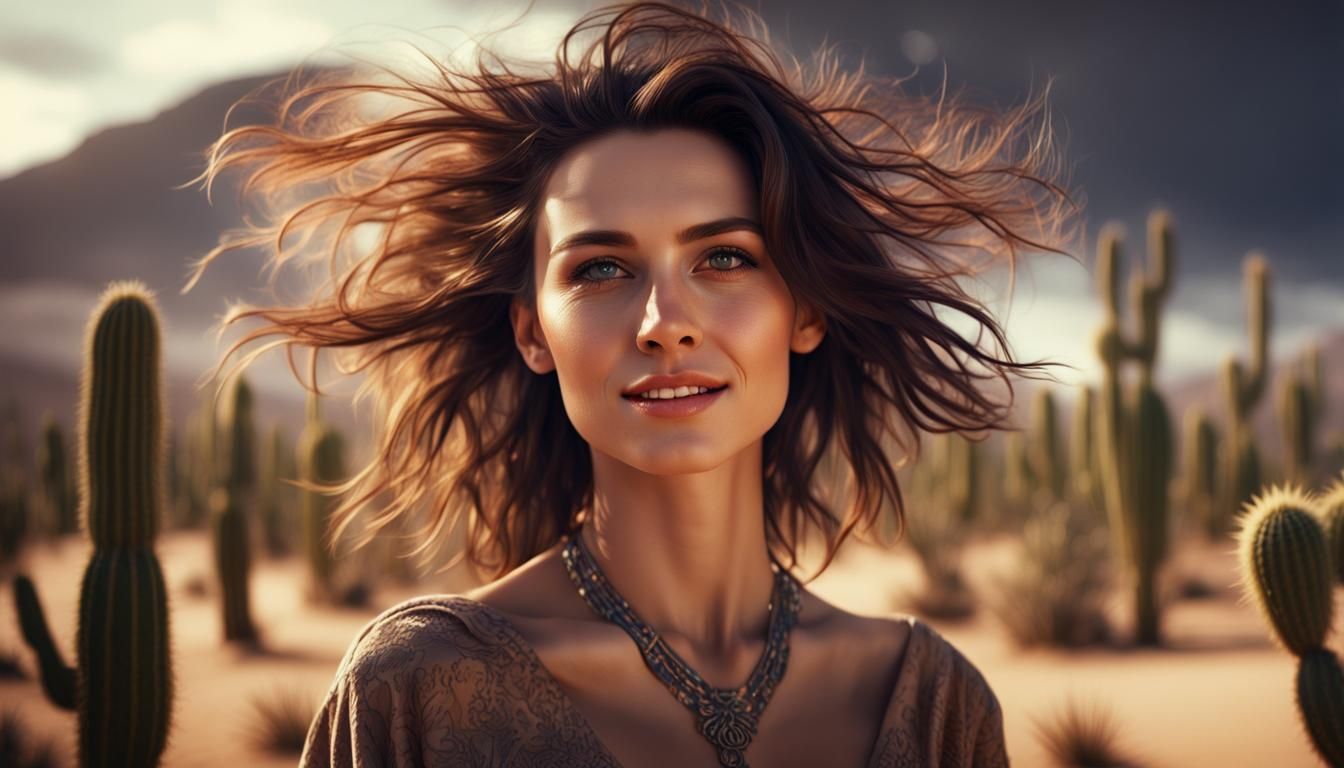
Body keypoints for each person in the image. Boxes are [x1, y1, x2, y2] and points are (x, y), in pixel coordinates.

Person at [186, 1, 1078, 765]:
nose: (664, 321)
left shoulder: (933, 707)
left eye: (725, 257)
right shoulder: (416, 694)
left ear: (804, 311)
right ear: (534, 332)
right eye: (602, 270)